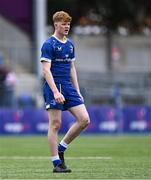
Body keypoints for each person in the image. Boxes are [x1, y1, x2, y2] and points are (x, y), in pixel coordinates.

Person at [40, 11, 90, 173]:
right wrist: (55, 92)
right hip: (54, 86)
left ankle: (62, 147)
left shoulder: (70, 44)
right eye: (63, 24)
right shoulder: (49, 44)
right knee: (55, 124)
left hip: (68, 87)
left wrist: (77, 90)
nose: (66, 26)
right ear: (56, 25)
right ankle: (56, 163)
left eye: (68, 24)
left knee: (84, 120)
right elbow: (46, 71)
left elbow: (72, 68)